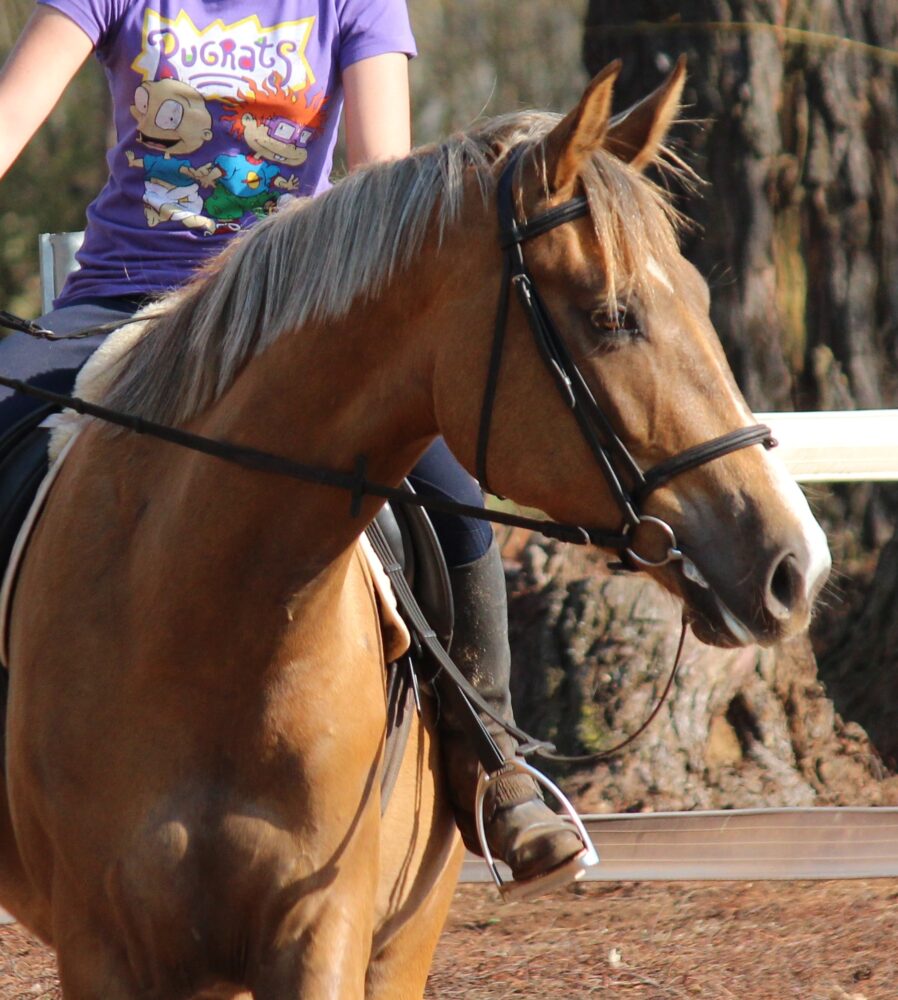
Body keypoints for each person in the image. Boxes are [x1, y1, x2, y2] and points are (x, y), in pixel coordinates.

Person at [0, 0, 584, 889]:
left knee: (453, 494)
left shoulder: (353, 3)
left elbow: (383, 183)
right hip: (121, 300)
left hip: (289, 313)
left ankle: (493, 760)